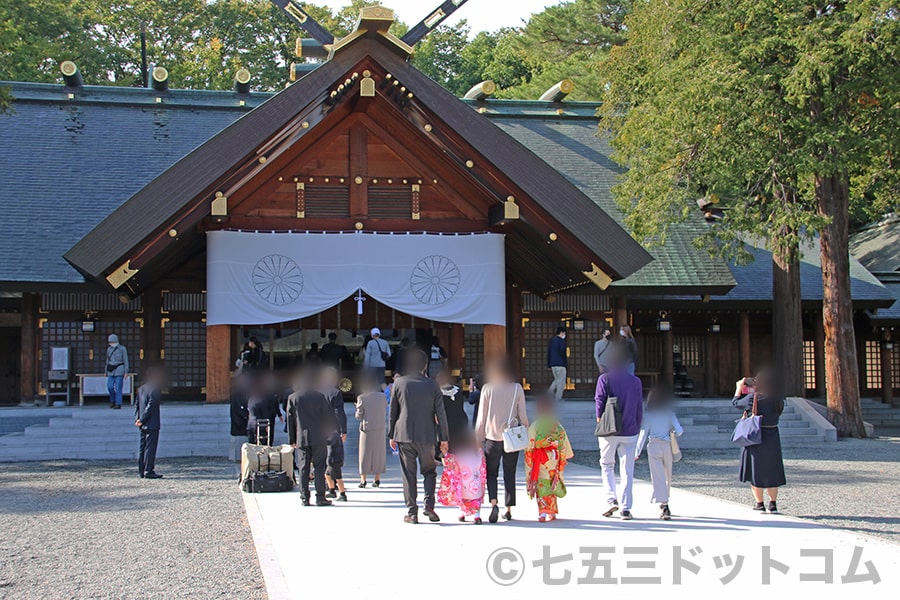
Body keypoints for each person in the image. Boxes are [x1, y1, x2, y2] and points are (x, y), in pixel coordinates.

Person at [389, 349, 449, 524]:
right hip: (427, 434)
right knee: (429, 471)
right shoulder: (432, 385)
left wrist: (391, 434)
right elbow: (441, 413)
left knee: (408, 474)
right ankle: (429, 505)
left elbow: (393, 411)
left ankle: (412, 512)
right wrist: (444, 438)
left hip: (404, 434)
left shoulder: (399, 383)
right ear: (425, 365)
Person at [475, 358, 529, 523]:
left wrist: (478, 438)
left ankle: (493, 503)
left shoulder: (487, 389)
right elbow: (523, 415)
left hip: (492, 437)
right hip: (511, 437)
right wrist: (526, 429)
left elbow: (481, 417)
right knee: (509, 472)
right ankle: (509, 508)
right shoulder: (517, 388)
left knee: (492, 473)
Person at [595, 346, 644, 520]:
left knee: (607, 465)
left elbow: (599, 400)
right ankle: (625, 508)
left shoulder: (604, 379)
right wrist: (638, 426)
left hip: (609, 429)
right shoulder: (636, 382)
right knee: (627, 469)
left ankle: (611, 500)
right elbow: (639, 407)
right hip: (630, 429)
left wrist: (599, 419)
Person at [733, 370, 786, 513]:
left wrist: (739, 387)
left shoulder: (753, 398)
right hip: (773, 435)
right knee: (772, 470)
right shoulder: (778, 399)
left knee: (756, 469)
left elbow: (736, 402)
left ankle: (759, 503)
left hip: (756, 436)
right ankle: (773, 503)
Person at [287, 373, 339, 507]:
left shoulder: (293, 398)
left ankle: (304, 497)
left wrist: (292, 439)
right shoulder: (320, 396)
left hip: (301, 437)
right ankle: (320, 496)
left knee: (303, 468)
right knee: (319, 467)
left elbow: (290, 420)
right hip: (318, 436)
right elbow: (329, 416)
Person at [635, 384, 684, 520]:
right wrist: (672, 433)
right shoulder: (669, 414)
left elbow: (643, 434)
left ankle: (663, 504)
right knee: (668, 475)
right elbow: (680, 431)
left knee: (657, 476)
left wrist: (637, 452)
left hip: (654, 445)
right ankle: (665, 500)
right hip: (667, 445)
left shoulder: (649, 416)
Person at [524, 394, 574, 522]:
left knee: (542, 483)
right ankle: (551, 511)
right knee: (553, 482)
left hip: (541, 459)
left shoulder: (535, 425)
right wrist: (562, 457)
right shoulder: (556, 425)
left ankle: (542, 513)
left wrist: (529, 456)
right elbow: (563, 442)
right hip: (554, 457)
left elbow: (530, 444)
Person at [437, 430, 486, 524]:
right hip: (475, 487)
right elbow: (483, 467)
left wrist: (445, 454)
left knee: (462, 498)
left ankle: (462, 514)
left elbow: (450, 462)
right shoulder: (478, 455)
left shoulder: (459, 457)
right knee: (476, 500)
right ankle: (477, 516)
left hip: (464, 487)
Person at [355, 377, 387, 488]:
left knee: (364, 454)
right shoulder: (382, 397)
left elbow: (358, 416)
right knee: (379, 453)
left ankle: (363, 480)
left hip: (367, 428)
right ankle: (377, 479)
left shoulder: (362, 398)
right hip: (380, 427)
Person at [135, 365, 163, 479]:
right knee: (150, 447)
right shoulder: (154, 389)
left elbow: (137, 405)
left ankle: (141, 469)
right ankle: (149, 470)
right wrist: (142, 419)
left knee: (142, 447)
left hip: (142, 422)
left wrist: (138, 419)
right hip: (151, 422)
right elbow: (151, 406)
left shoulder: (141, 388)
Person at [436, 369, 469, 453]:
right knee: (457, 447)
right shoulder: (458, 391)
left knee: (445, 448)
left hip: (446, 423)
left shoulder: (438, 394)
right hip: (460, 420)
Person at [246, 376, 281, 446]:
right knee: (264, 443)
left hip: (251, 423)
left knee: (252, 444)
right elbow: (265, 413)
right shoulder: (264, 399)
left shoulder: (251, 398)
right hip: (261, 424)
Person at [105, 333, 129, 409]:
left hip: (119, 370)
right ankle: (112, 400)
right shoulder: (109, 349)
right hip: (111, 370)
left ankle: (118, 403)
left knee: (119, 387)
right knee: (110, 386)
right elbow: (107, 361)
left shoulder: (122, 349)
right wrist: (106, 371)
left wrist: (126, 372)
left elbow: (125, 360)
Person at [546, 326, 568, 401]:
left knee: (557, 379)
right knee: (561, 381)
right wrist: (565, 362)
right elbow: (562, 352)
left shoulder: (552, 341)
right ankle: (558, 397)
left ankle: (549, 393)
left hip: (553, 364)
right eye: (564, 333)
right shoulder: (561, 341)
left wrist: (549, 364)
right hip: (560, 363)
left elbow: (549, 353)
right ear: (562, 332)